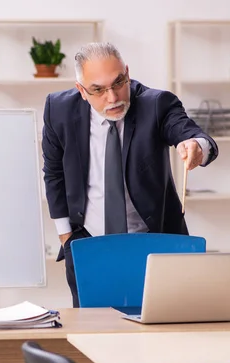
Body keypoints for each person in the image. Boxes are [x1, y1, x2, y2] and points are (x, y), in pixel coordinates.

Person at [41, 42, 219, 307]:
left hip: (155, 244)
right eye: (98, 90)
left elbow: (195, 136)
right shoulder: (59, 109)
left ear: (127, 72)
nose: (112, 98)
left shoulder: (156, 104)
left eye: (118, 82)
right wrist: (66, 237)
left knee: (163, 334)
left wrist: (195, 146)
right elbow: (53, 173)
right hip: (88, 244)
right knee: (93, 334)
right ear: (81, 90)